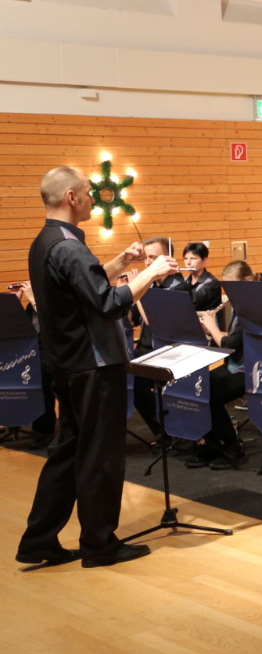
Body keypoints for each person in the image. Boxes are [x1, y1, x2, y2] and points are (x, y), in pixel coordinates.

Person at [16, 166, 178, 568]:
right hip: (94, 365)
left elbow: (84, 287)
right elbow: (107, 302)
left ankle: (38, 539)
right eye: (89, 192)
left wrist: (122, 261)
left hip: (67, 363)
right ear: (71, 197)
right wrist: (152, 272)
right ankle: (99, 544)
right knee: (100, 456)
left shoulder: (47, 241)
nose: (93, 198)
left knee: (68, 453)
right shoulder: (69, 246)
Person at [187, 260, 253, 469]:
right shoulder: (240, 304)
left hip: (251, 369)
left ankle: (233, 447)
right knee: (197, 386)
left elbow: (230, 345)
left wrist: (213, 328)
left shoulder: (251, 306)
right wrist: (211, 331)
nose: (228, 292)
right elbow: (235, 339)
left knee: (211, 394)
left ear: (247, 281)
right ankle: (212, 444)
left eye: (231, 285)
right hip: (236, 363)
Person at [130, 236, 190, 438]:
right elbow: (132, 319)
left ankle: (171, 430)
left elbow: (153, 320)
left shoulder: (178, 286)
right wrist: (124, 293)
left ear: (168, 258)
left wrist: (136, 290)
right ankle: (163, 430)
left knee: (158, 392)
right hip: (146, 349)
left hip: (169, 352)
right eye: (146, 258)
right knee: (135, 388)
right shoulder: (150, 284)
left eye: (153, 258)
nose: (148, 263)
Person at [10, 281, 56, 449]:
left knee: (43, 380)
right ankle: (23, 422)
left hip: (53, 353)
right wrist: (16, 300)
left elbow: (52, 325)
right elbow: (18, 327)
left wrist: (32, 298)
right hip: (33, 352)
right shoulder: (31, 306)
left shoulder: (55, 302)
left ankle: (45, 430)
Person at [183, 242, 221, 311]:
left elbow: (192, 302)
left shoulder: (212, 283)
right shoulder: (185, 280)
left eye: (193, 258)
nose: (188, 262)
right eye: (186, 258)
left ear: (204, 260)